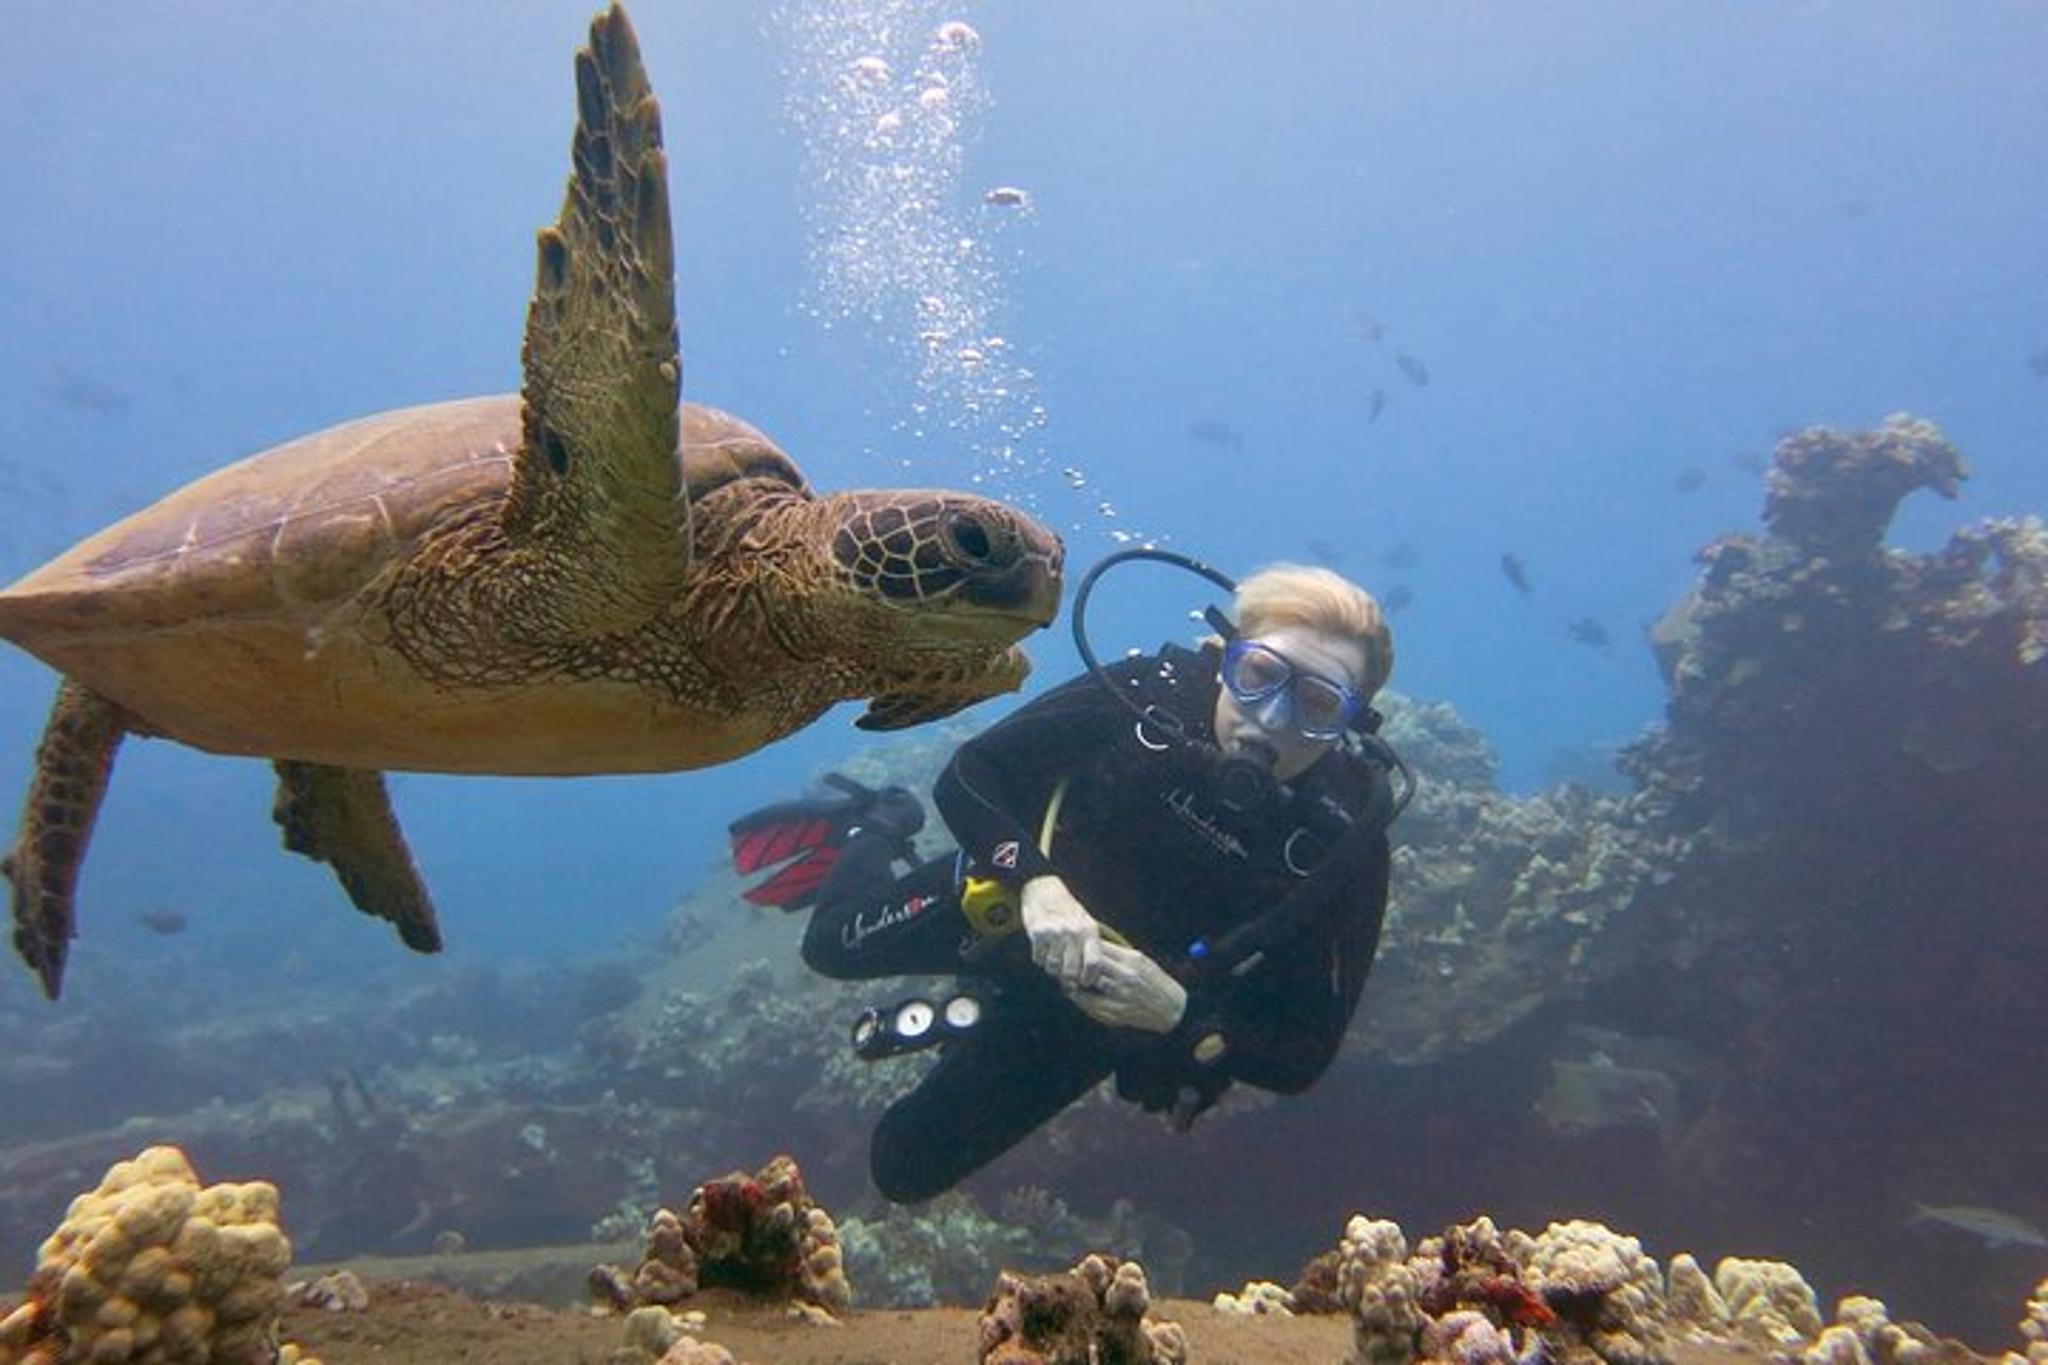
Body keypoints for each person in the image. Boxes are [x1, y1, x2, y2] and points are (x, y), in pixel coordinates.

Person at [727, 561, 1402, 1203]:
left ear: (1351, 725)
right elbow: (970, 774)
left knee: (902, 1167)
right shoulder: (1148, 693)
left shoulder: (1343, 839)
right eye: (1258, 673)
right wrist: (1036, 883)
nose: (1274, 716)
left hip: (1095, 1013)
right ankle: (871, 822)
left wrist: (1179, 1014)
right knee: (827, 946)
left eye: (1316, 703)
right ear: (1221, 654)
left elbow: (1306, 1050)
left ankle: (982, 1016)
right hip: (1002, 904)